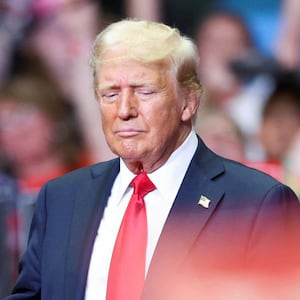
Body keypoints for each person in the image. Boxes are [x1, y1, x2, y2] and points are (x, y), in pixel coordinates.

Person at [4, 19, 300, 299]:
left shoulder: (259, 204)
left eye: (144, 92)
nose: (124, 110)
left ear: (188, 103)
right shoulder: (61, 199)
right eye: (110, 94)